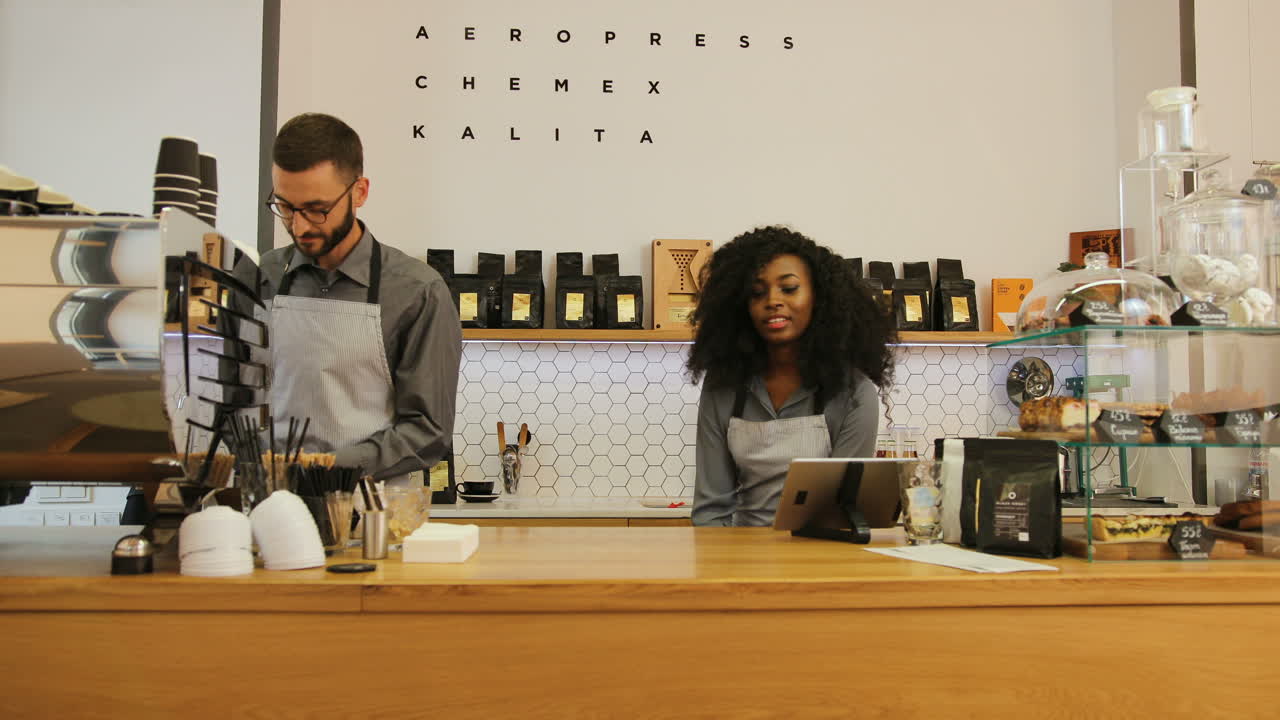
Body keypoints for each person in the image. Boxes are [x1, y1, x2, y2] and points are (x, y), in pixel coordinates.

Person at [231, 112, 461, 484]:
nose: (299, 226)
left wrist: (327, 471)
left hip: (370, 507)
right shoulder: (256, 278)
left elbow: (427, 432)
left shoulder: (417, 292)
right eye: (285, 207)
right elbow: (232, 402)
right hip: (268, 501)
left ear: (360, 192)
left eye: (317, 209)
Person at [687, 226, 895, 526]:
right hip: (737, 550)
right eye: (757, 293)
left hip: (820, 550)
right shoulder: (723, 387)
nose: (772, 300)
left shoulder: (853, 393)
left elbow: (843, 513)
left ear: (819, 297)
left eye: (789, 288)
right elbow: (711, 510)